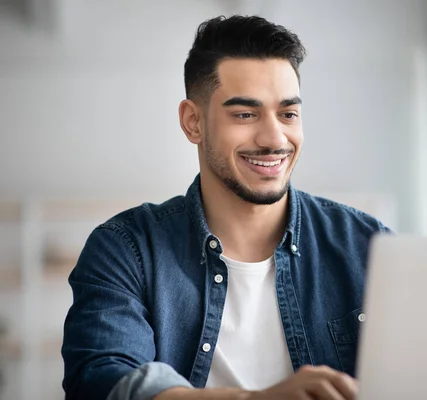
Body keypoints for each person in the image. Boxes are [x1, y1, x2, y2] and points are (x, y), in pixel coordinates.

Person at [62, 15, 390, 400]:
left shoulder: (370, 245)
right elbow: (102, 380)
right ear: (193, 122)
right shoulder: (125, 248)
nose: (274, 138)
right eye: (245, 114)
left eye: (288, 114)